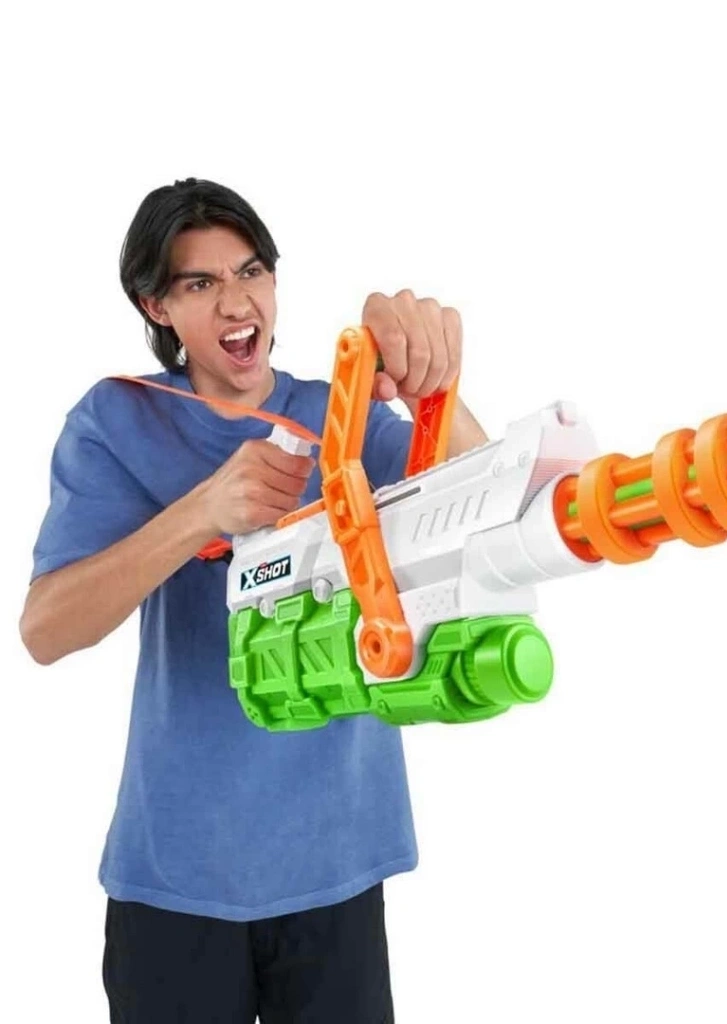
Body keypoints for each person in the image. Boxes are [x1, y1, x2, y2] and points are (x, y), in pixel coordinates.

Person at [19, 177, 488, 1022]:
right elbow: (46, 630)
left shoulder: (338, 413)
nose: (237, 302)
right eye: (200, 283)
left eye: (251, 272)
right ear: (157, 306)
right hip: (178, 878)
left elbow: (485, 506)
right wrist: (203, 511)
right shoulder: (118, 420)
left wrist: (436, 388)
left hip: (338, 862)